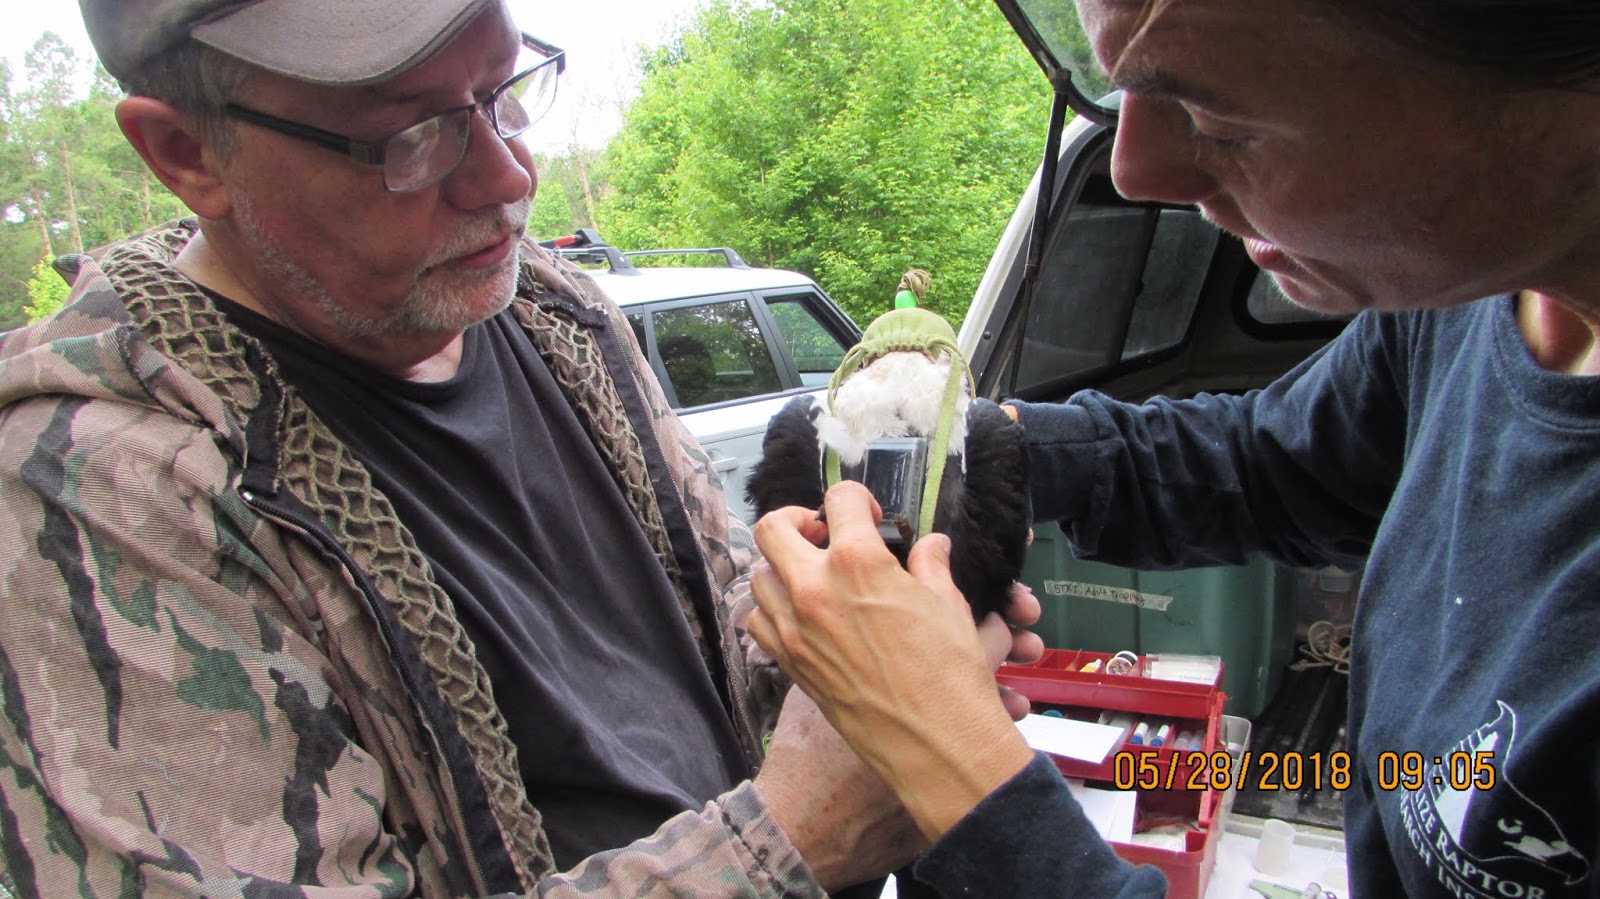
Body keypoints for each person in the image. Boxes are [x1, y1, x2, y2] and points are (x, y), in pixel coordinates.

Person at [0, 0, 1039, 894]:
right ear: (186, 153)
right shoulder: (94, 486)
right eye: (409, 136)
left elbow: (703, 653)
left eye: (502, 91)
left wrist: (860, 659)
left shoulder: (551, 310)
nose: (505, 177)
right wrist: (796, 834)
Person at [747, 0, 1600, 896]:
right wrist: (983, 456)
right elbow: (1267, 464)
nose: (1135, 167)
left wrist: (945, 756)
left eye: (1217, 117)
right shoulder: (1476, 301)